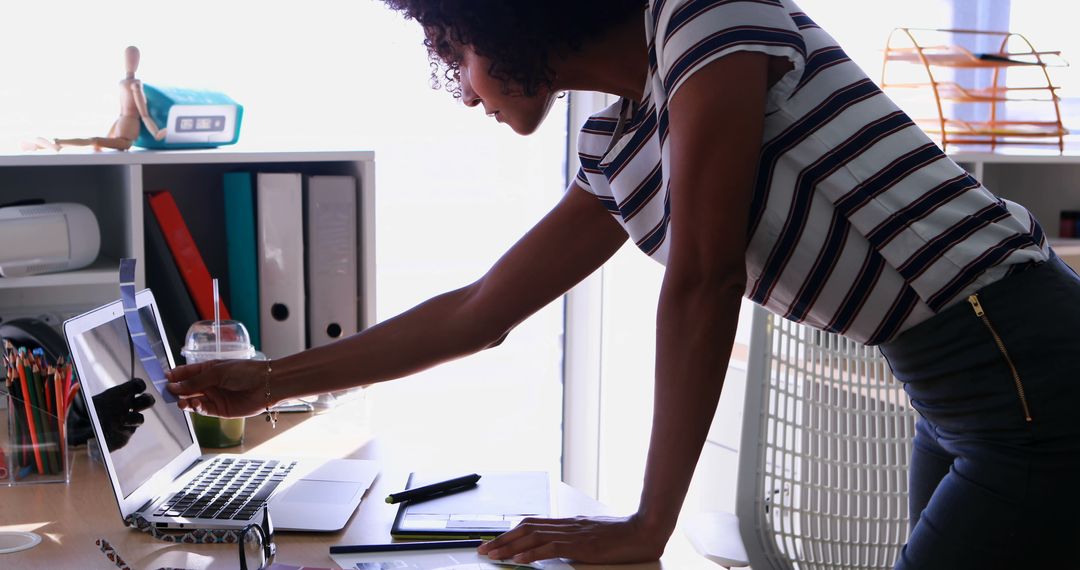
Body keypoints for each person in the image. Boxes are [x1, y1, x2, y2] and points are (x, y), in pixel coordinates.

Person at [166, 1, 1080, 568]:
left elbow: (704, 277)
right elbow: (484, 310)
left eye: (454, 52)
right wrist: (274, 379)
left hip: (1024, 363)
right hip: (950, 384)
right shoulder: (622, 143)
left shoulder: (711, 20)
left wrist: (649, 524)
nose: (462, 87)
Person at [22, 46, 166, 152]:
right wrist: (157, 133)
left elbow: (131, 115)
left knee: (95, 140)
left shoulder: (126, 84)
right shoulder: (133, 84)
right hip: (125, 136)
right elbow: (142, 114)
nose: (131, 62)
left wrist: (156, 133)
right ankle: (56, 143)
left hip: (124, 133)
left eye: (133, 58)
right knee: (94, 140)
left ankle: (40, 145)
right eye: (130, 57)